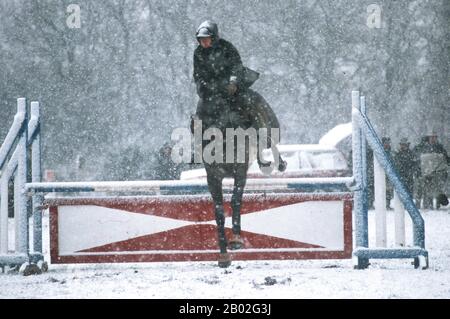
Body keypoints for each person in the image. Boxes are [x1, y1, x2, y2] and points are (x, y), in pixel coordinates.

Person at [192, 20, 286, 171]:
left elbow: (236, 67)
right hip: (210, 91)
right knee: (198, 116)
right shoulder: (198, 53)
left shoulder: (227, 48)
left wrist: (233, 83)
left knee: (253, 105)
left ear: (214, 38)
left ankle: (266, 147)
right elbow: (198, 75)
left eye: (206, 39)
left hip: (232, 90)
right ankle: (197, 147)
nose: (203, 43)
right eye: (201, 40)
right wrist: (204, 88)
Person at [418, 131, 449, 209]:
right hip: (426, 174)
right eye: (431, 137)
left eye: (435, 137)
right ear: (428, 138)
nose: (433, 139)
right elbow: (419, 159)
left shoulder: (440, 147)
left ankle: (438, 205)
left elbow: (445, 159)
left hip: (437, 173)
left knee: (438, 190)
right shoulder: (423, 147)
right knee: (427, 190)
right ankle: (428, 205)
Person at [382, 137, 394, 209]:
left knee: (389, 191)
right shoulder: (380, 152)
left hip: (389, 174)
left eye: (388, 143)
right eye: (385, 143)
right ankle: (383, 204)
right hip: (382, 174)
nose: (387, 144)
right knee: (383, 190)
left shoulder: (391, 152)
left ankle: (388, 204)